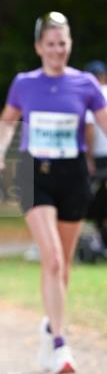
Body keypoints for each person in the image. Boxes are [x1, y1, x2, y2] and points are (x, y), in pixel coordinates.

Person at [0, 17, 107, 373]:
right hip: (34, 173)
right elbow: (8, 122)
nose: (57, 50)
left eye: (63, 43)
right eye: (50, 44)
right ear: (39, 47)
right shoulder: (25, 84)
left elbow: (103, 123)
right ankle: (60, 343)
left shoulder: (85, 84)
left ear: (69, 45)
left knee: (63, 266)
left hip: (73, 175)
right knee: (52, 257)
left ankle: (48, 326)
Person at [84, 60, 107, 253]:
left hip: (101, 157)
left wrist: (88, 157)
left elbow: (89, 129)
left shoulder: (93, 94)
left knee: (98, 201)